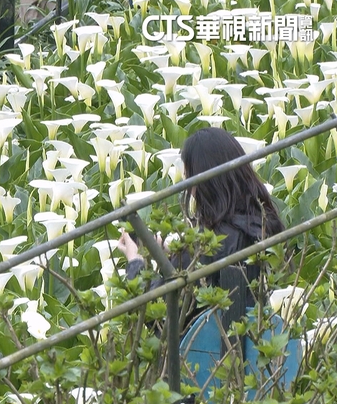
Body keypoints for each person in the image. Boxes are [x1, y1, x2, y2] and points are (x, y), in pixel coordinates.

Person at [117, 127, 285, 300]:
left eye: (188, 174)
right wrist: (177, 250)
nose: (185, 181)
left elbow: (159, 311)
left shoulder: (207, 244)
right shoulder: (262, 221)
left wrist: (135, 262)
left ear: (204, 181)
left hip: (216, 327)